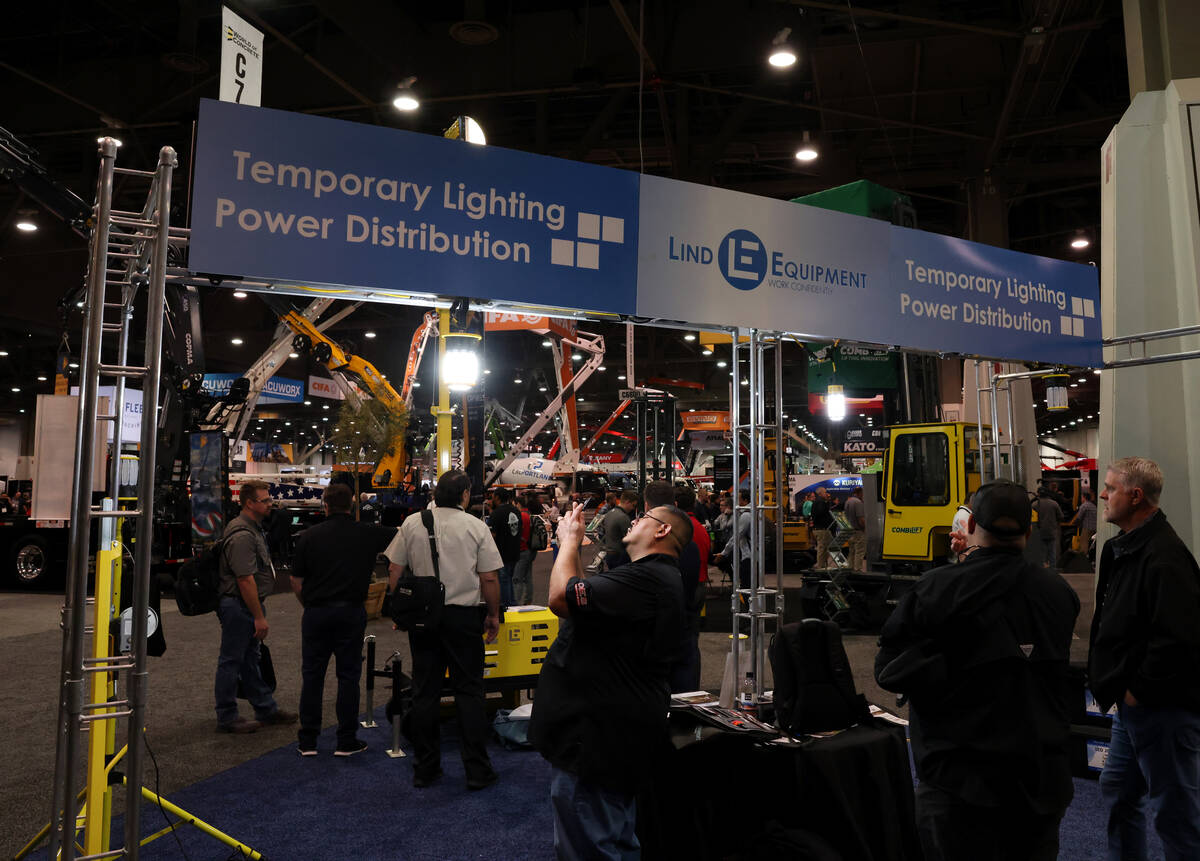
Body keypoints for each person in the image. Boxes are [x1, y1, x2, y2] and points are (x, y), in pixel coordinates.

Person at [875, 480, 1080, 861]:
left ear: (969, 527)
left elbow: (888, 669)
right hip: (1038, 779)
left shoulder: (935, 589)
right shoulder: (1059, 594)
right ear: (1029, 531)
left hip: (958, 782)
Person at [530, 499, 689, 860]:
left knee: (592, 842)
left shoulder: (647, 578)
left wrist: (568, 541)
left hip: (597, 738)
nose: (634, 521)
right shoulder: (653, 577)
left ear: (662, 530)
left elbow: (559, 597)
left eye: (644, 518)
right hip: (613, 731)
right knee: (613, 835)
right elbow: (583, 601)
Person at [1089, 457, 1200, 860]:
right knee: (1118, 789)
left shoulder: (1164, 557)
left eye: (1112, 488)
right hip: (1134, 704)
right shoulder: (1126, 549)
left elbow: (1179, 639)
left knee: (1176, 815)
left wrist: (1138, 692)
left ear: (1136, 496)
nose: (1103, 495)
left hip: (1161, 708)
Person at [385, 469, 502, 790]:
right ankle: (477, 771)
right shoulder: (476, 526)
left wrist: (401, 610)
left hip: (423, 619)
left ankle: (425, 768)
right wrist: (493, 615)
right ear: (465, 494)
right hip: (464, 618)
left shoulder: (413, 522)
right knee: (469, 692)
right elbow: (489, 578)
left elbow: (395, 570)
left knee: (425, 692)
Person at [290, 483, 396, 756]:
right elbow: (402, 535)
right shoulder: (368, 534)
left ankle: (308, 741)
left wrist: (310, 606)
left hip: (316, 612)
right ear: (352, 505)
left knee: (312, 675)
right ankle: (346, 739)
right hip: (350, 611)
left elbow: (296, 581)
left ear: (325, 504)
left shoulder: (308, 537)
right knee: (348, 676)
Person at [214, 480, 298, 734]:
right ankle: (227, 716)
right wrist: (259, 617)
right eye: (265, 501)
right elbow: (245, 580)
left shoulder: (253, 529)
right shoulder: (242, 535)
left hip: (245, 605)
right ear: (249, 503)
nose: (270, 504)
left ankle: (266, 708)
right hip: (239, 605)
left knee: (250, 659)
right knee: (231, 661)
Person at [669, 483, 710, 692]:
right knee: (692, 639)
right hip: (699, 586)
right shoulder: (700, 528)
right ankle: (691, 688)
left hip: (685, 589)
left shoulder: (682, 530)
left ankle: (684, 691)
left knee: (683, 642)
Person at [488, 488, 522, 607]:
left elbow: (491, 536)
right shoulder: (516, 511)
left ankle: (507, 606)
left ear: (497, 497)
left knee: (503, 581)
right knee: (509, 579)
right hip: (515, 551)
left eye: (492, 496)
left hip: (501, 553)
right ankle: (512, 603)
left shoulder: (496, 514)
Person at [712, 489, 751, 588]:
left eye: (738, 499)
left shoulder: (745, 515)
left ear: (745, 500)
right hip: (745, 552)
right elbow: (716, 523)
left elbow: (736, 535)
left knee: (747, 586)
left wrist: (724, 553)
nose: (735, 501)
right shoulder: (746, 512)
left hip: (747, 554)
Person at [594, 489, 637, 573]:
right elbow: (630, 539)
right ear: (627, 502)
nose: (632, 508)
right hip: (620, 556)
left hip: (610, 554)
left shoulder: (610, 513)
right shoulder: (623, 517)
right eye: (633, 505)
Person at [511, 494, 537, 605]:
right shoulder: (530, 515)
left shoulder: (520, 516)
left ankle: (516, 603)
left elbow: (516, 533)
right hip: (531, 549)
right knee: (528, 577)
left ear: (518, 504)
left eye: (513, 504)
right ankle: (528, 600)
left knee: (517, 579)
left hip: (522, 549)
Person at [1034, 487, 1064, 568]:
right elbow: (1061, 516)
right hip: (1052, 532)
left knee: (1042, 553)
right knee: (1052, 553)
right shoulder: (1054, 504)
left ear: (1039, 494)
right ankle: (1053, 570)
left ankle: (1042, 570)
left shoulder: (1035, 504)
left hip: (1039, 532)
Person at [1065, 489, 1097, 560]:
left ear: (1084, 497)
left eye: (1082, 497)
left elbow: (1079, 517)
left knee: (1083, 544)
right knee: (1090, 544)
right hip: (1094, 528)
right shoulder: (1093, 505)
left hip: (1087, 528)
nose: (1081, 499)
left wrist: (1073, 523)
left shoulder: (1084, 505)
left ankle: (1083, 560)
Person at [810, 486, 835, 568]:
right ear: (820, 493)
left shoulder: (817, 501)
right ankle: (820, 567)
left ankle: (822, 566)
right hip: (822, 529)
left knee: (823, 549)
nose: (827, 494)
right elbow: (822, 512)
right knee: (822, 549)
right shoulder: (820, 502)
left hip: (820, 529)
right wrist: (827, 502)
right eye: (825, 492)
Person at [843, 487, 866, 571]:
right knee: (859, 551)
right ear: (860, 493)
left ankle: (849, 568)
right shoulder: (858, 502)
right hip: (857, 531)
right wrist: (865, 528)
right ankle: (857, 570)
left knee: (851, 551)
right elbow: (861, 519)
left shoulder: (848, 501)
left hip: (849, 530)